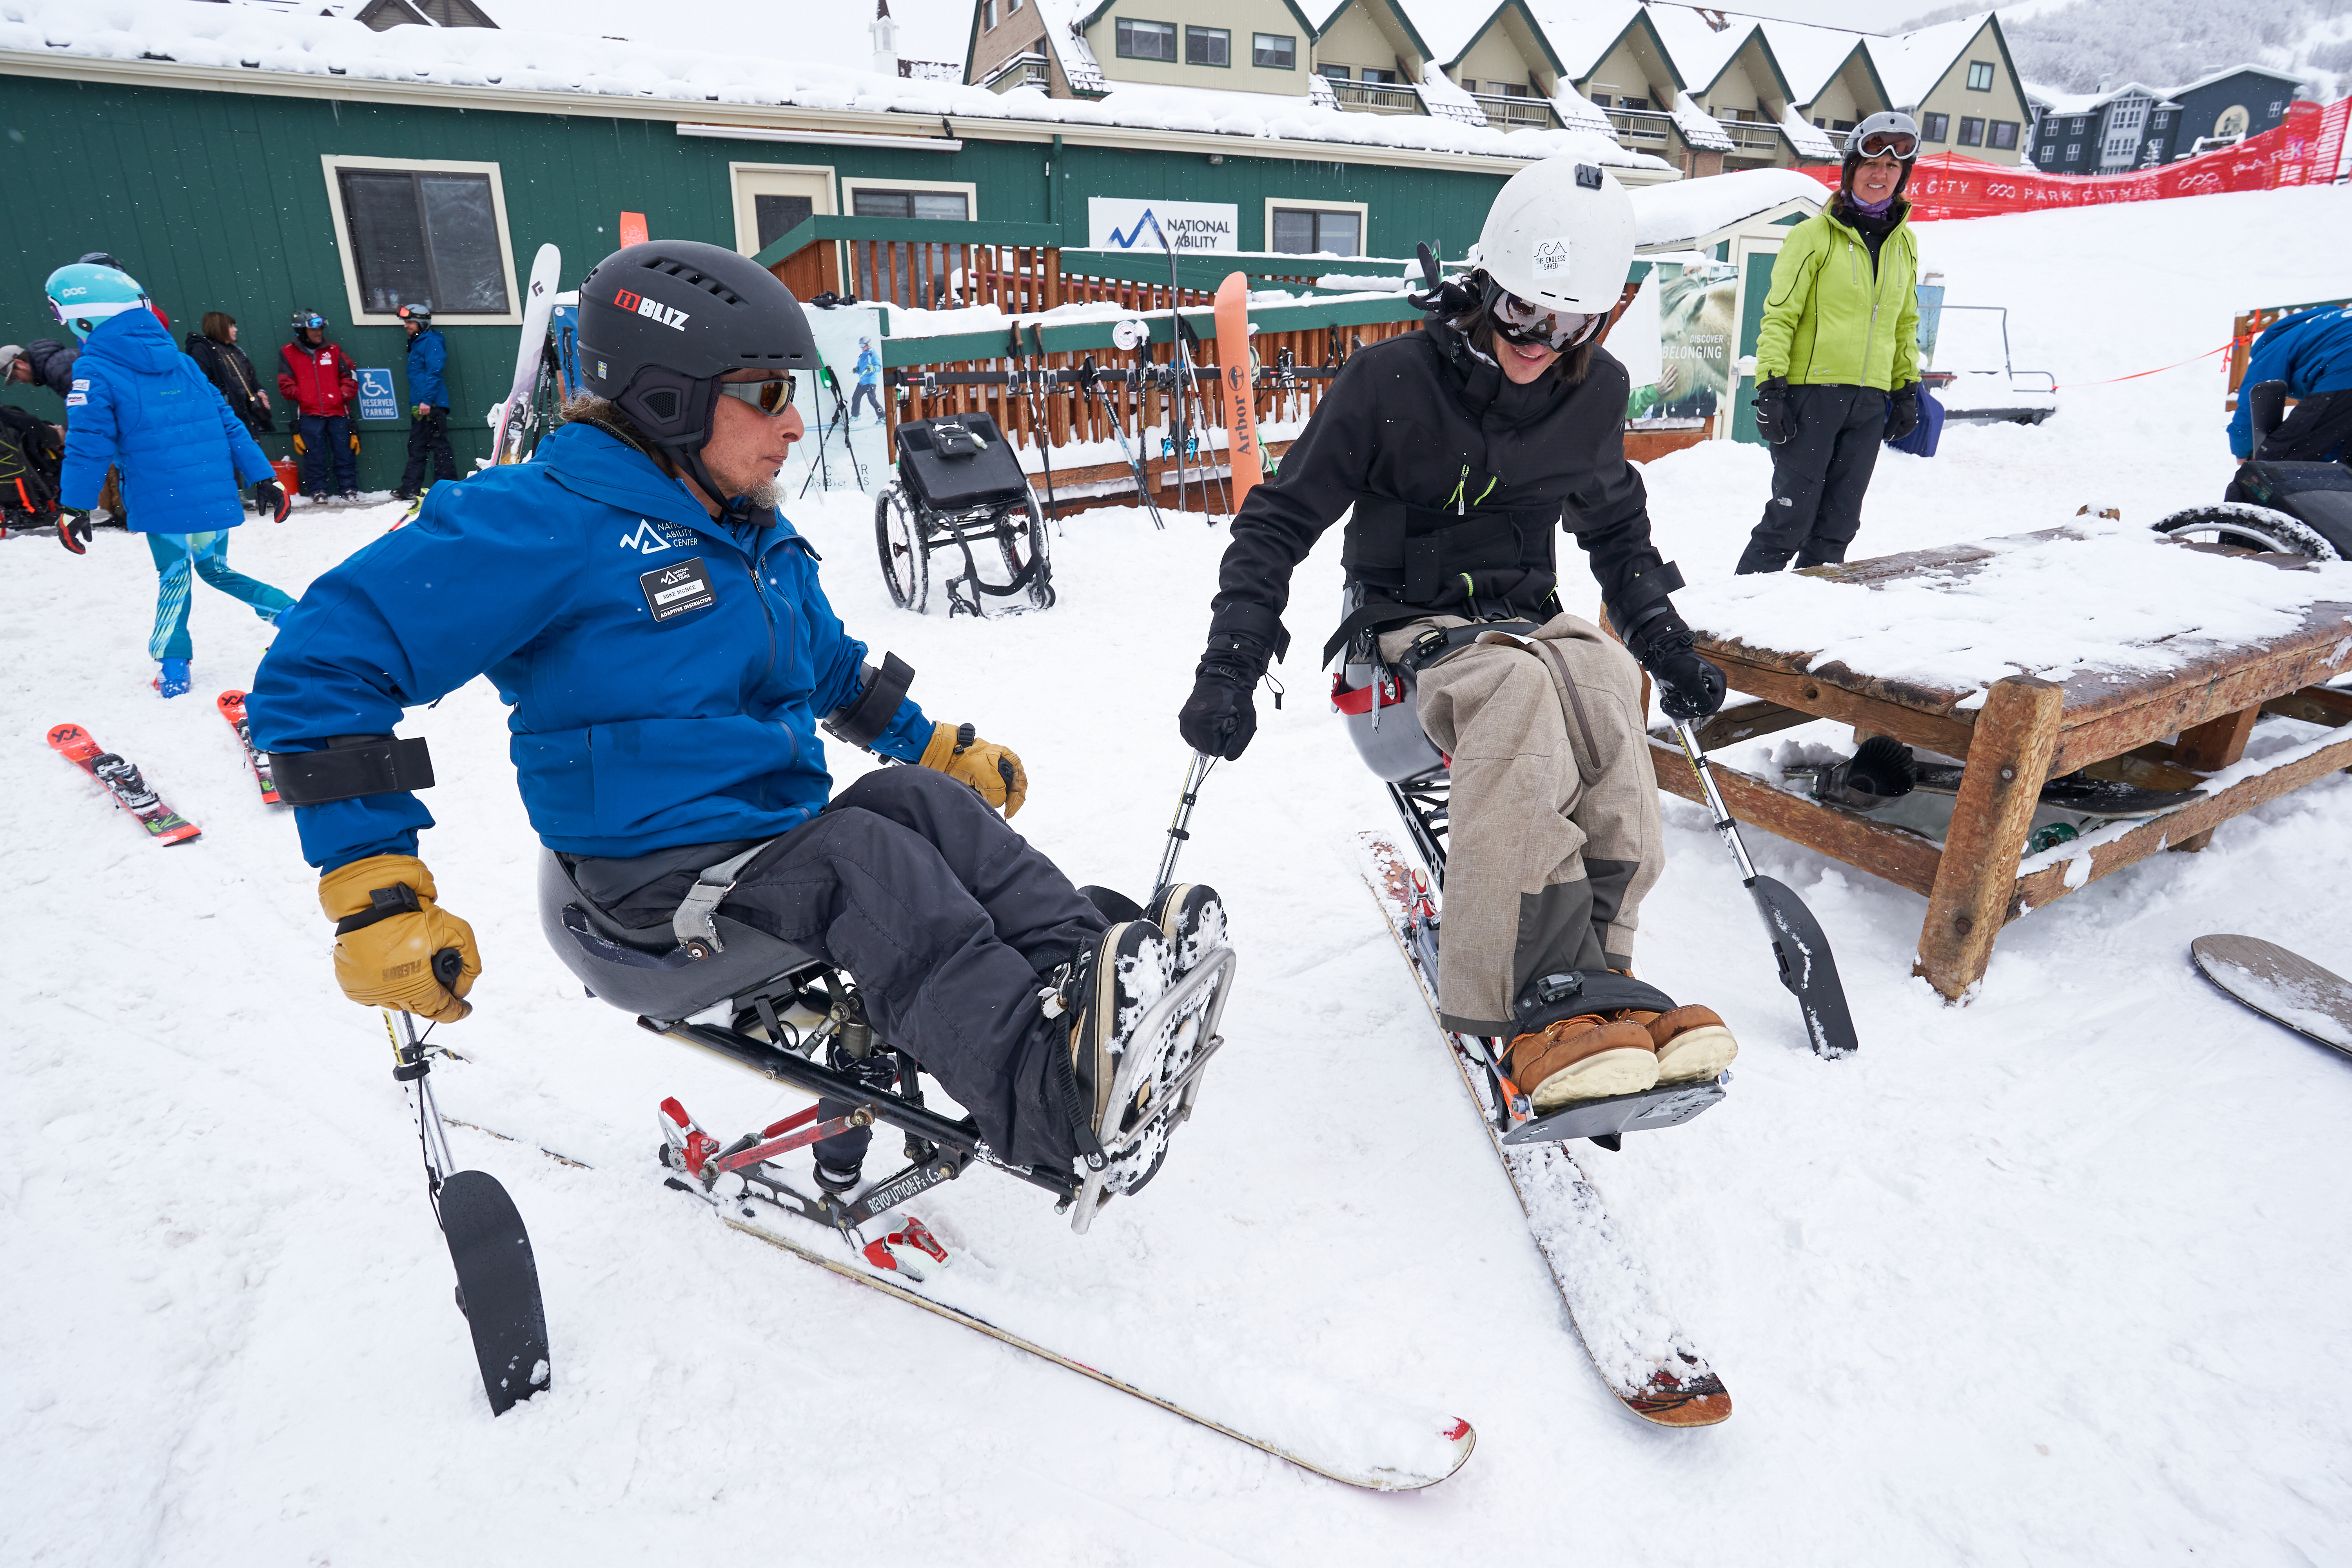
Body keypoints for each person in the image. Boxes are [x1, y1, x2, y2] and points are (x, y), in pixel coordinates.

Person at [245, 240, 1218, 1189]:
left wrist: (934, 746)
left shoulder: (742, 520)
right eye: (764, 393)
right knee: (868, 864)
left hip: (762, 851)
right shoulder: (547, 519)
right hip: (643, 895)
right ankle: (1052, 1100)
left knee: (916, 804)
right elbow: (321, 665)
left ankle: (1099, 997)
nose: (792, 424)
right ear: (667, 396)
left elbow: (824, 663)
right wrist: (375, 894)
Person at [1177, 159, 1735, 1112]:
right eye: (1522, 313)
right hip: (1397, 646)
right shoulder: (1389, 382)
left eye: (1568, 326)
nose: (1537, 342)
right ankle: (1514, 997)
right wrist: (1231, 658)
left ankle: (1599, 985)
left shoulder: (1592, 393)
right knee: (1517, 694)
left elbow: (1617, 533)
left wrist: (1665, 643)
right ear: (1486, 285)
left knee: (1603, 684)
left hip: (1523, 623)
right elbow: (1277, 520)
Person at [45, 261, 291, 697]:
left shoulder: (95, 371)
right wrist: (264, 476)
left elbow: (89, 443)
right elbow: (228, 422)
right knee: (214, 568)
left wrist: (75, 505)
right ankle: (291, 615)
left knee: (175, 574)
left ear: (85, 319)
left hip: (162, 498)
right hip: (211, 490)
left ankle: (174, 662)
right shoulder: (181, 363)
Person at [1738, 111, 1924, 575]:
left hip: (1869, 400)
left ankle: (1800, 629)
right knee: (1790, 521)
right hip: (1810, 396)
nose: (1880, 175)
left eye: (1892, 168)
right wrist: (1772, 388)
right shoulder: (1812, 236)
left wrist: (1905, 388)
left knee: (1839, 526)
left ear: (1902, 176)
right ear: (1850, 170)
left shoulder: (1905, 245)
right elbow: (1779, 316)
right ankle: (1728, 627)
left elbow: (1904, 321)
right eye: (1870, 165)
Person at [2229, 303, 2352, 468]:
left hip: (2345, 375)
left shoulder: (2275, 346)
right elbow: (2331, 432)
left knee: (2274, 468)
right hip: (2343, 379)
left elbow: (2251, 402)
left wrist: (2244, 451)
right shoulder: (2328, 326)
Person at [278, 307, 360, 501]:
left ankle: (349, 489)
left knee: (344, 453)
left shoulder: (334, 351)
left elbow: (351, 376)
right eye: (314, 330)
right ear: (301, 331)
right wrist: (306, 396)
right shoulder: (288, 353)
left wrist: (341, 395)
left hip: (339, 413)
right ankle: (319, 491)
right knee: (314, 456)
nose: (319, 333)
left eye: (321, 329)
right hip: (309, 414)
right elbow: (285, 384)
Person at [393, 303, 458, 500]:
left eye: (410, 322)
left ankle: (446, 487)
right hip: (420, 405)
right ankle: (410, 488)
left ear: (422, 323)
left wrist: (427, 401)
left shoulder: (431, 342)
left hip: (431, 405)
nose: (406, 326)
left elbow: (434, 372)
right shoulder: (418, 343)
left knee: (439, 446)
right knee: (417, 446)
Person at [183, 312, 274, 436]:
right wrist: (224, 400)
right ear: (219, 327)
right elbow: (201, 383)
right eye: (231, 326)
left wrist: (260, 391)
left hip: (246, 414)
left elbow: (250, 379)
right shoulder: (203, 349)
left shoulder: (235, 350)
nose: (236, 330)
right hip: (227, 415)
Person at [851, 336, 884, 423]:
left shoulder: (872, 355)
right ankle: (855, 416)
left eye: (863, 345)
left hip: (870, 382)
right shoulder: (861, 356)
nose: (862, 347)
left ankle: (882, 417)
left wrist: (873, 369)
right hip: (862, 382)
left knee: (872, 400)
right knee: (855, 398)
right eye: (860, 345)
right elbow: (861, 369)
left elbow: (879, 367)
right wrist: (857, 370)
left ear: (868, 345)